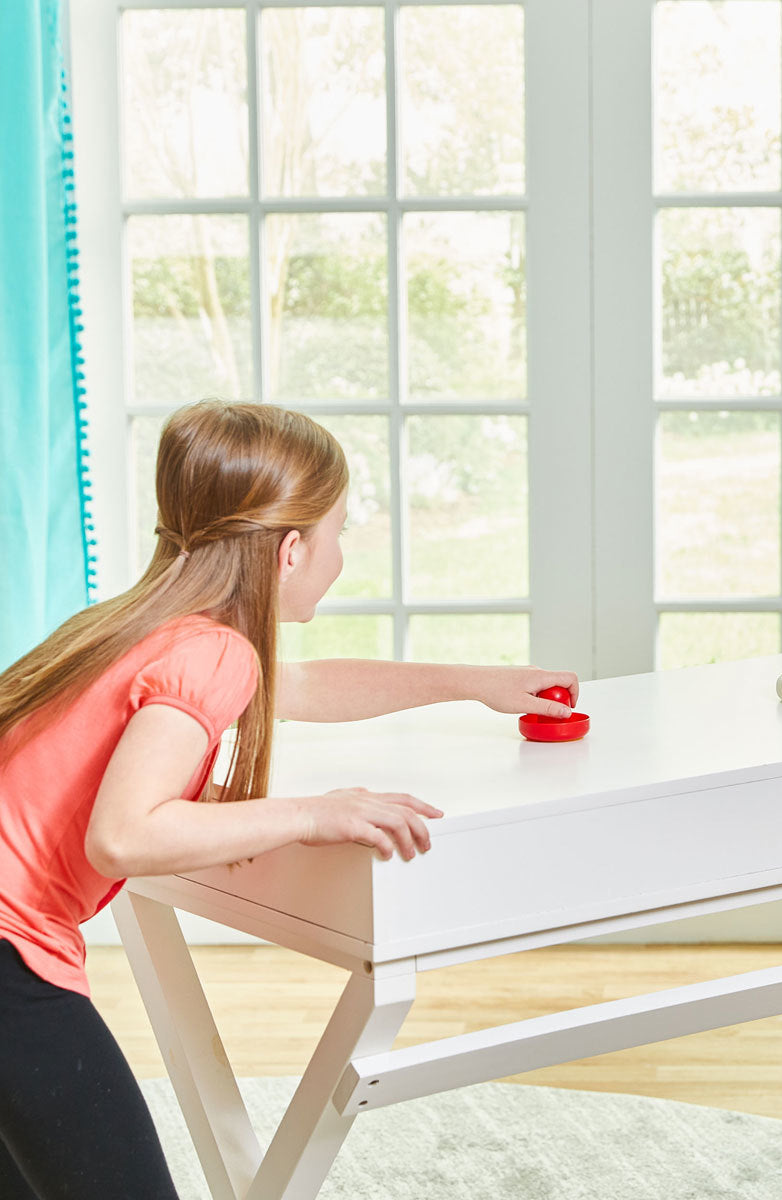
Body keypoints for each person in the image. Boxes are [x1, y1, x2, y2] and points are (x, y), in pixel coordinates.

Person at [0, 399, 579, 1200]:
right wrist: (309, 813)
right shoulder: (213, 653)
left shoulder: (140, 627)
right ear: (293, 550)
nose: (341, 553)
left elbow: (301, 686)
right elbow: (124, 836)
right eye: (340, 530)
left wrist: (477, 683)